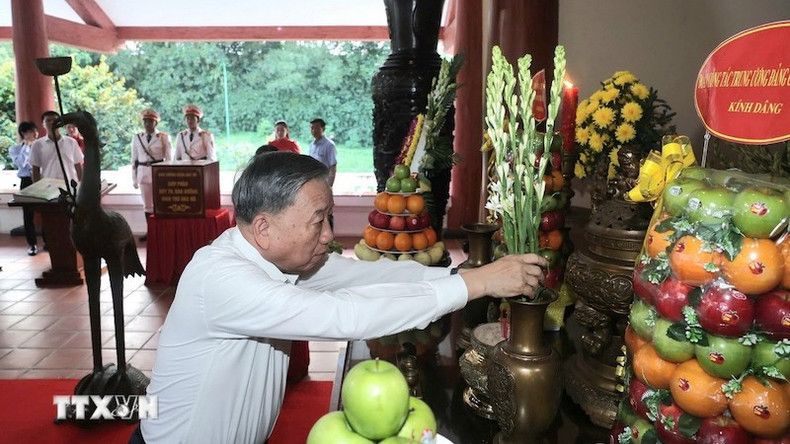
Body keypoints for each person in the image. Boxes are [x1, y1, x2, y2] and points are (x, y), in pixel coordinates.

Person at [133, 151, 546, 444]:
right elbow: (347, 316)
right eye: (318, 221)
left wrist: (462, 274)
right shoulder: (222, 278)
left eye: (328, 218)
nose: (330, 235)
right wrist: (477, 285)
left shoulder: (282, 261)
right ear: (263, 229)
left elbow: (369, 276)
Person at [131, 108, 172, 242]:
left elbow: (169, 159)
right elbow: (134, 160)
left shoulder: (163, 138)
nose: (147, 124)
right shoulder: (138, 138)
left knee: (160, 204)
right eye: (145, 121)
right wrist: (134, 179)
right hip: (143, 173)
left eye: (150, 121)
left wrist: (168, 178)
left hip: (158, 174)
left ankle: (161, 231)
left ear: (155, 123)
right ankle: (151, 231)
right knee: (147, 205)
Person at [9, 121, 40, 255]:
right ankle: (32, 244)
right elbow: (22, 163)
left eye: (35, 131)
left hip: (42, 180)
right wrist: (27, 147)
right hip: (26, 181)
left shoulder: (41, 146)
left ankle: (49, 242)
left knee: (48, 210)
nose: (35, 134)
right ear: (24, 133)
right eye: (31, 132)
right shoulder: (15, 149)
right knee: (28, 214)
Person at [30, 110, 84, 183]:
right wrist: (37, 187)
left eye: (55, 120)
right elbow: (35, 169)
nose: (52, 122)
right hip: (48, 185)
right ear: (43, 124)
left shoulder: (71, 142)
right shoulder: (37, 144)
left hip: (71, 184)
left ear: (60, 123)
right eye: (48, 120)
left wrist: (81, 184)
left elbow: (78, 165)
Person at [308, 118, 337, 186]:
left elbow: (333, 166)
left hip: (324, 181)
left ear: (323, 129)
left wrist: (330, 184)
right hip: (313, 181)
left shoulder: (329, 145)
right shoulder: (312, 145)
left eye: (317, 128)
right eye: (312, 128)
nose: (314, 130)